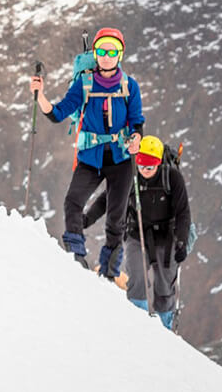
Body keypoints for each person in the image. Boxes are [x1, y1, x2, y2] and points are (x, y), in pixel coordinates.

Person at [29, 28, 144, 278]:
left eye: (112, 51)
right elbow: (58, 113)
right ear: (96, 52)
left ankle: (110, 272)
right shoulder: (84, 83)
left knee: (116, 218)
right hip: (91, 157)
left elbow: (137, 123)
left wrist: (135, 139)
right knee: (73, 202)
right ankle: (76, 257)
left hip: (121, 159)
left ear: (120, 54)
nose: (106, 56)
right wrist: (40, 97)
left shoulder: (130, 86)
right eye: (101, 50)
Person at [84, 135, 191, 330]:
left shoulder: (172, 178)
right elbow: (106, 200)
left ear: (159, 163)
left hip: (167, 236)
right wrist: (85, 220)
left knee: (164, 286)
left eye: (149, 167)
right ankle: (138, 328)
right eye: (141, 165)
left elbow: (183, 212)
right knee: (137, 280)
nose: (144, 170)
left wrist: (182, 242)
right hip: (137, 233)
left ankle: (165, 330)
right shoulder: (130, 176)